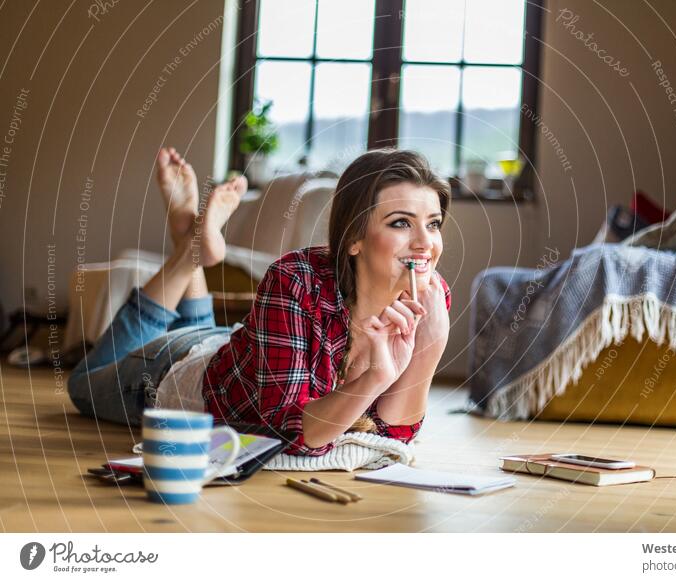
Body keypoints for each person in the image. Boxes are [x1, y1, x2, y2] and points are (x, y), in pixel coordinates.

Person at [68, 148, 452, 455]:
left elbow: (393, 433)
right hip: (176, 370)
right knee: (83, 386)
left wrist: (431, 344)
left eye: (433, 223)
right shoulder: (295, 279)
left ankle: (190, 239)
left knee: (199, 329)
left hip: (246, 350)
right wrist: (374, 378)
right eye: (401, 222)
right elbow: (293, 431)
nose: (425, 242)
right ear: (354, 238)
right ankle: (188, 254)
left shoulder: (430, 298)